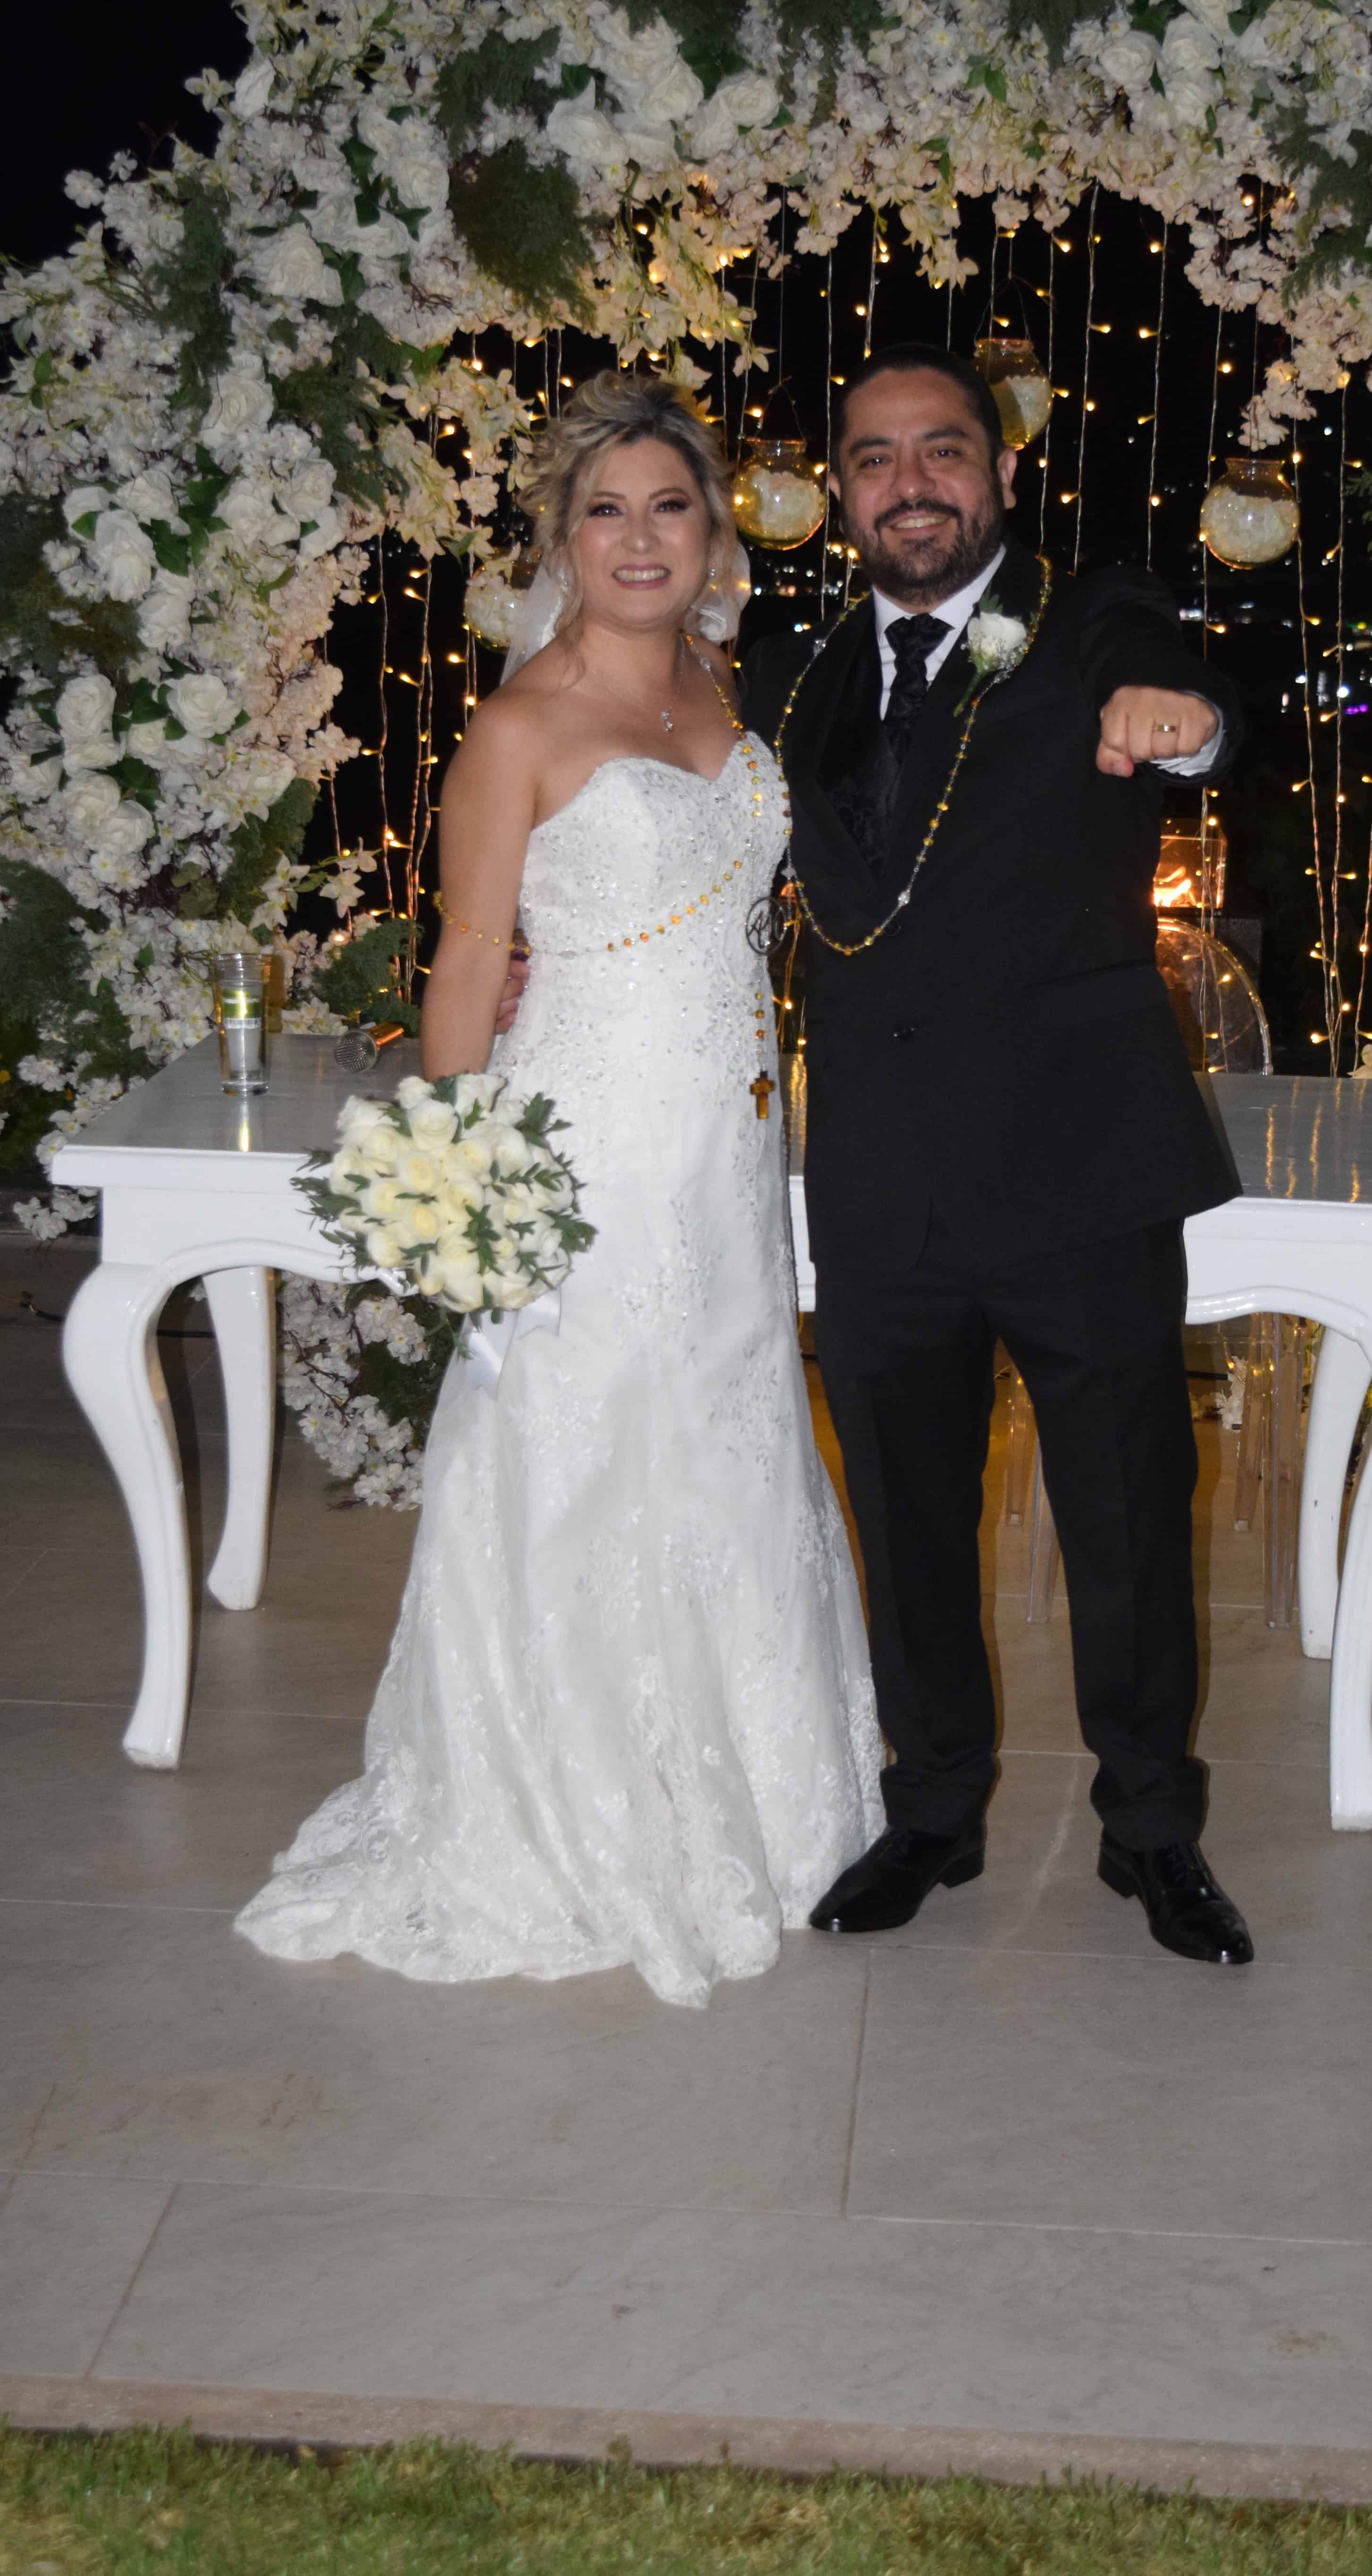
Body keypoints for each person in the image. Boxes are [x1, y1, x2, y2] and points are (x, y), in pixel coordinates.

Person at [236, 373, 883, 2009]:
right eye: (608, 512)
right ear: (563, 540)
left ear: (715, 532)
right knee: (582, 1452)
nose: (641, 540)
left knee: (731, 1436)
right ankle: (567, 1807)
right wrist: (457, 1178)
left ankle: (760, 1789)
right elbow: (468, 960)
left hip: (727, 1152)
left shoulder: (735, 691)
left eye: (671, 507)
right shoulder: (518, 726)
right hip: (585, 1151)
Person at [738, 344, 1255, 1966]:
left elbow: (1172, 682)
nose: (912, 484)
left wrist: (1180, 718)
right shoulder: (792, 670)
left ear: (1003, 471)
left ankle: (1152, 1833)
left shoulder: (1090, 621)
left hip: (1079, 1167)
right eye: (875, 457)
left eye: (943, 450)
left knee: (1128, 1522)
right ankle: (934, 1810)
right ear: (841, 491)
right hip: (881, 1175)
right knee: (906, 1520)